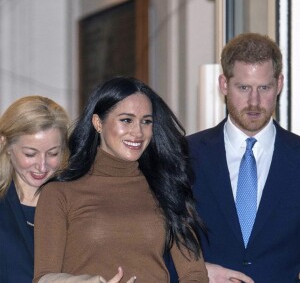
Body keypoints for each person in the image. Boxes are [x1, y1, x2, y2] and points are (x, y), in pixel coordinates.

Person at [33, 76, 209, 283]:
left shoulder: (165, 187)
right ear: (98, 123)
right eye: (126, 120)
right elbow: (44, 278)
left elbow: (195, 274)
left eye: (146, 121)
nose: (138, 132)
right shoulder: (59, 193)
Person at [169, 32, 300, 282]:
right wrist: (196, 270)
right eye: (243, 88)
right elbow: (161, 240)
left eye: (264, 88)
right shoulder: (185, 155)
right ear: (223, 85)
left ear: (280, 84)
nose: (254, 101)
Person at [0, 96, 69, 283]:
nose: (42, 166)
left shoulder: (74, 201)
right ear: (5, 145)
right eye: (30, 154)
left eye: (53, 153)